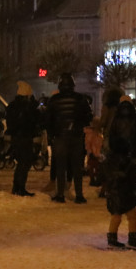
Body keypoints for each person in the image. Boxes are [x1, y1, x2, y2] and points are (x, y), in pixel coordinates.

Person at [101, 98, 136, 250]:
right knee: (132, 216)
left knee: (116, 215)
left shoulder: (111, 161)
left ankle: (112, 238)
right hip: (126, 193)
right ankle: (133, 239)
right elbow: (133, 177)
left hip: (114, 192)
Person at [45, 73, 93, 203]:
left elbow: (48, 119)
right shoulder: (80, 99)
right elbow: (88, 116)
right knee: (77, 167)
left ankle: (60, 194)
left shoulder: (54, 100)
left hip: (60, 136)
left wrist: (52, 134)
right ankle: (79, 195)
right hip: (76, 136)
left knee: (61, 166)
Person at [5, 80, 40, 197]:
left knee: (21, 163)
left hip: (16, 137)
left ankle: (17, 186)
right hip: (25, 137)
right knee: (25, 163)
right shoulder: (27, 107)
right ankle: (20, 187)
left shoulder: (12, 106)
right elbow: (33, 120)